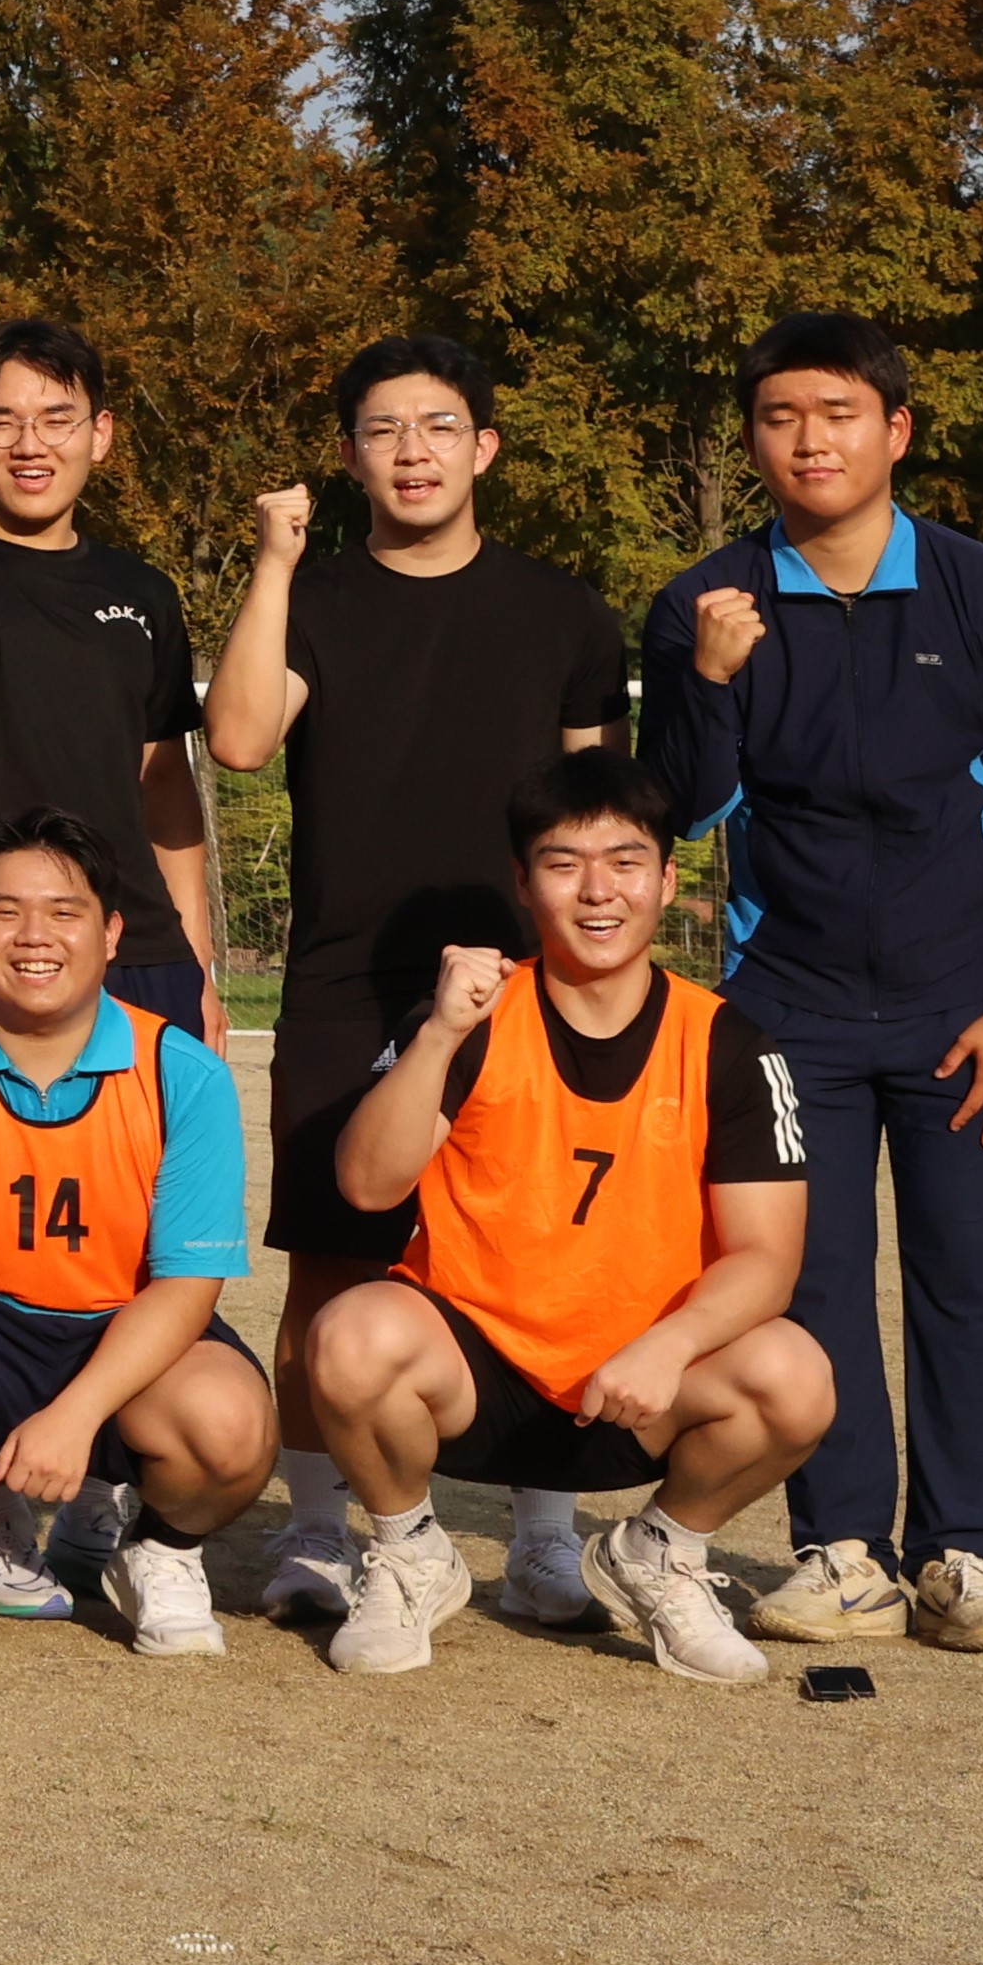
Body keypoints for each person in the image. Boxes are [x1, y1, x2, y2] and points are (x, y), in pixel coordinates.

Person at [639, 313, 983, 1658]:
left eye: (836, 413)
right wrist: (709, 681)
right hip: (786, 1011)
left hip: (964, 1014)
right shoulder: (705, 603)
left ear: (893, 430)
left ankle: (962, 1557)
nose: (808, 439)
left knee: (968, 1279)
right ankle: (842, 1552)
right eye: (779, 416)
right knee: (811, 1281)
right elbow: (679, 807)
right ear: (751, 439)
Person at [200, 332, 629, 1628]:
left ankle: (543, 1537)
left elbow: (597, 814)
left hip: (518, 981)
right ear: (348, 456)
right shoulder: (312, 596)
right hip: (346, 981)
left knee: (531, 1262)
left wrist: (587, 969)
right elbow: (236, 739)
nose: (411, 451)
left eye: (437, 426)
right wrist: (272, 562)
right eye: (382, 429)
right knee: (331, 1266)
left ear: (482, 446)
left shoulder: (562, 611)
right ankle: (316, 1533)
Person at [305, 754, 831, 1684]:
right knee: (347, 1334)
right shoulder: (472, 1016)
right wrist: (438, 1033)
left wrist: (668, 1346)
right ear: (522, 881)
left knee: (793, 1375)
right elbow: (366, 1186)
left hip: (638, 1381)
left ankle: (658, 1554)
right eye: (563, 863)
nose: (596, 891)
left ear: (665, 878)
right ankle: (408, 1553)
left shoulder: (729, 1042)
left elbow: (766, 1259)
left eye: (625, 862)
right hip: (476, 1372)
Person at [0, 816, 273, 1659]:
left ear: (109, 934)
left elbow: (187, 1284)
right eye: (3, 912)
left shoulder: (179, 1068)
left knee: (227, 1424)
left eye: (63, 912)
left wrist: (75, 1416)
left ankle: (160, 1553)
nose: (34, 936)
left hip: (121, 1319)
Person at [0, 317, 221, 1039]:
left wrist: (198, 963)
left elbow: (164, 786)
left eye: (57, 420)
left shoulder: (143, 590)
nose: (30, 445)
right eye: (1, 421)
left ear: (100, 434)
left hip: (137, 947)